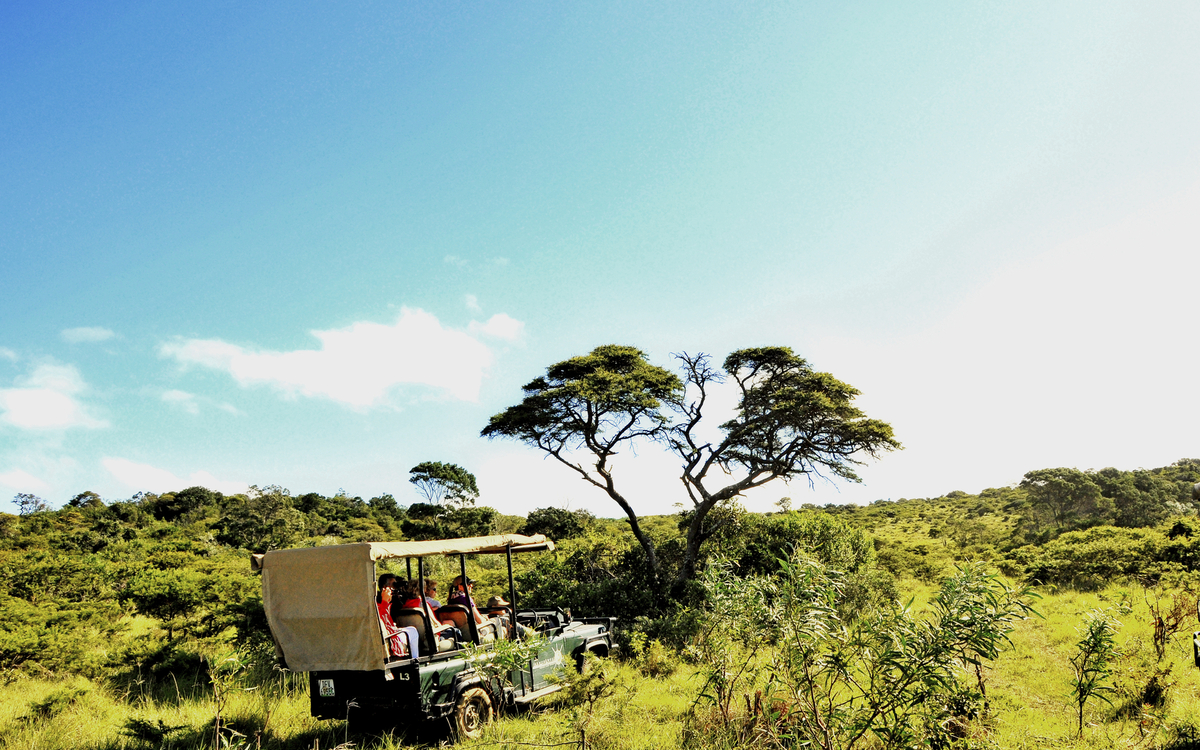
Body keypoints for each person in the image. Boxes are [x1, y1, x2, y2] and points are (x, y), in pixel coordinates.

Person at [376, 575, 419, 659]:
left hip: (387, 631)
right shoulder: (381, 601)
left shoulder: (378, 599)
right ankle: (415, 659)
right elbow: (384, 618)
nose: (395, 587)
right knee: (413, 630)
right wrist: (385, 601)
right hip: (386, 635)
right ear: (385, 587)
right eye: (394, 584)